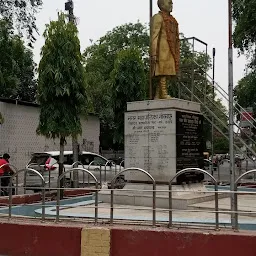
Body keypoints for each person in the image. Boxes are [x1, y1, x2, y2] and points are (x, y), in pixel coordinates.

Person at [151, 0, 180, 99]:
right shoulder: (158, 17)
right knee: (162, 72)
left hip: (171, 49)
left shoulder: (172, 20)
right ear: (162, 5)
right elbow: (154, 36)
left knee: (167, 72)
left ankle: (158, 95)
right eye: (169, 2)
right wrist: (153, 53)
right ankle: (163, 94)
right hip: (162, 50)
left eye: (172, 3)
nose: (172, 4)